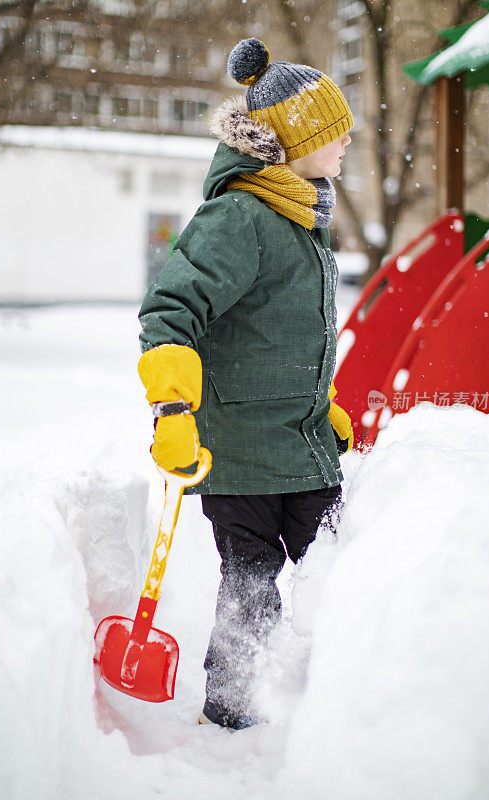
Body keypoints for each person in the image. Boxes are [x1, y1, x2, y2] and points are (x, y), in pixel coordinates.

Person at [137, 38, 354, 730]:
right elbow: (171, 311)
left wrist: (321, 407)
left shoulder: (298, 218)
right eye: (334, 134)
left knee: (340, 573)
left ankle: (345, 699)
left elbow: (280, 335)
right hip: (240, 454)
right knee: (252, 584)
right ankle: (232, 713)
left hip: (298, 444)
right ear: (294, 143)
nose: (346, 144)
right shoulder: (241, 217)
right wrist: (172, 407)